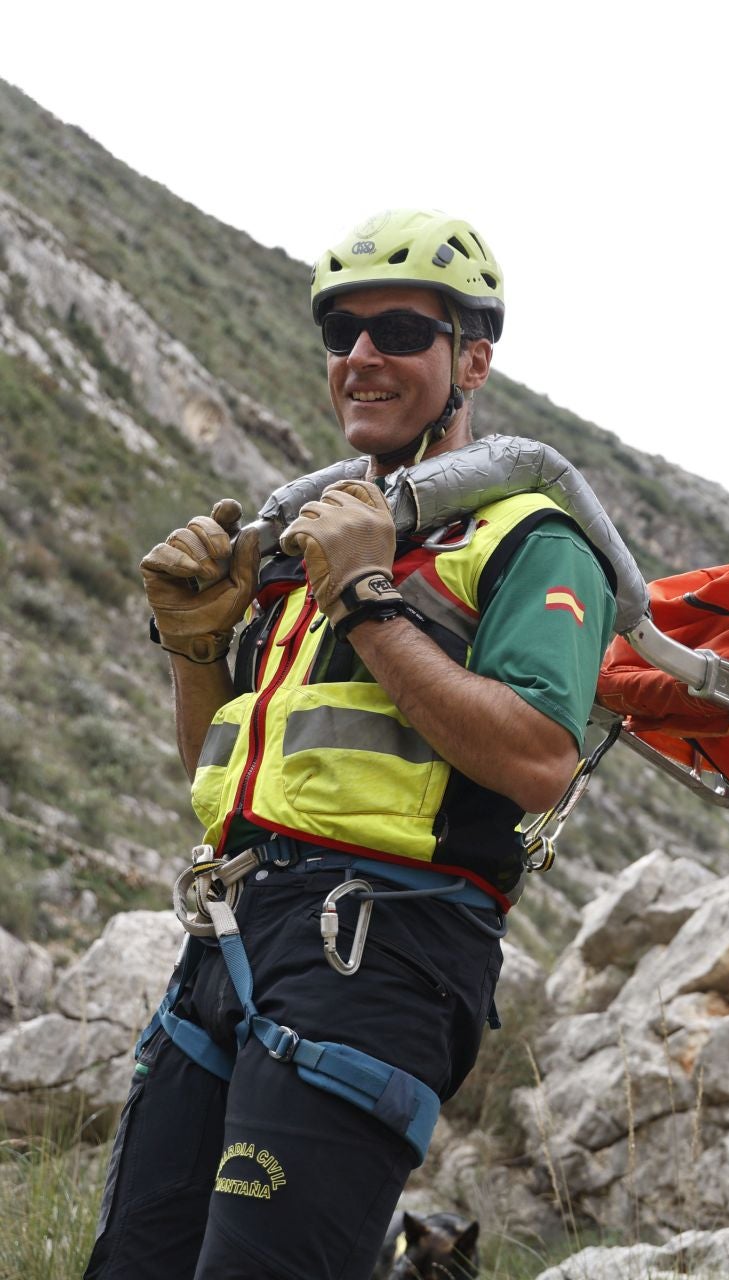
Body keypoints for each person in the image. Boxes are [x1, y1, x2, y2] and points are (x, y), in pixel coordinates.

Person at [87, 209, 617, 1279]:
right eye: (343, 332)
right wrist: (196, 648)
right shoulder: (305, 540)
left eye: (401, 329)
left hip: (380, 949)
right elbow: (224, 771)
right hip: (235, 933)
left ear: (471, 357)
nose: (364, 354)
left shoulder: (529, 538)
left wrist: (368, 599)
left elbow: (538, 759)